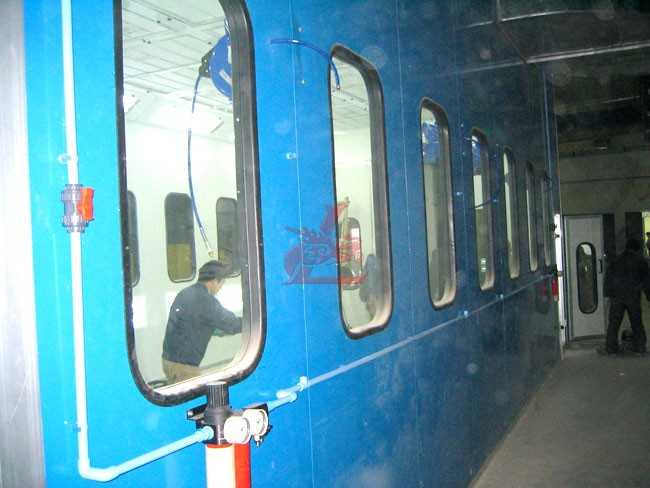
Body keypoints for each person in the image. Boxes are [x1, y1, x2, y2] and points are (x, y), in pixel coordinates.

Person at [162, 260, 242, 382]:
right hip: (183, 367)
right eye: (221, 284)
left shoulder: (186, 292)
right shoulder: (206, 300)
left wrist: (215, 330)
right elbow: (232, 324)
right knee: (194, 393)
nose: (220, 288)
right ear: (214, 281)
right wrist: (253, 322)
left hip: (168, 361)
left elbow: (192, 322)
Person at [602, 238, 650, 355]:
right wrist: (648, 295)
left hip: (617, 296)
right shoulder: (641, 261)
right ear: (637, 249)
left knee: (614, 323)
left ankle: (611, 347)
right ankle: (640, 347)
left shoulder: (617, 260)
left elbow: (609, 277)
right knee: (636, 322)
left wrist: (608, 293)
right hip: (633, 295)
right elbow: (646, 280)